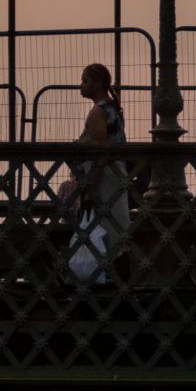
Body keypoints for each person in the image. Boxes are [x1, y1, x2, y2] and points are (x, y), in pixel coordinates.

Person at [58, 62, 130, 287]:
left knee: (102, 227)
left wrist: (89, 185)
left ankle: (104, 280)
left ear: (98, 83)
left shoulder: (98, 112)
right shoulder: (111, 108)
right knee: (113, 229)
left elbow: (101, 149)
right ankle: (117, 280)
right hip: (114, 174)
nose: (81, 85)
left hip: (102, 179)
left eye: (85, 80)